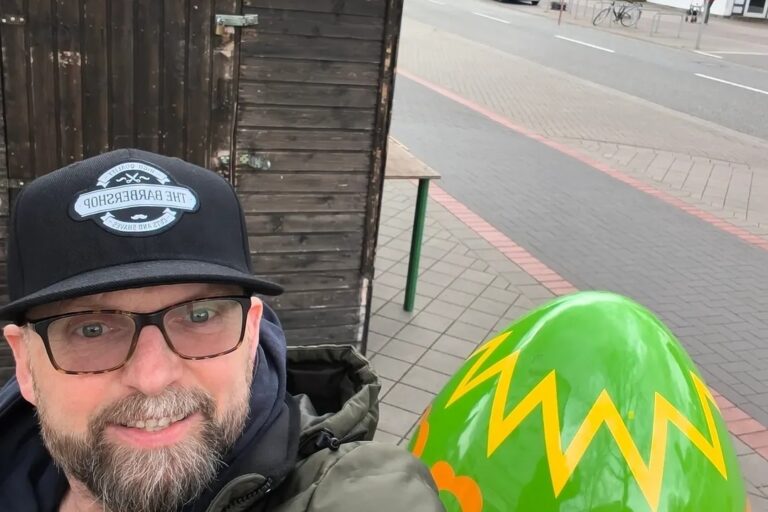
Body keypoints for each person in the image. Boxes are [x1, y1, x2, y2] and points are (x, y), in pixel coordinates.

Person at [0, 149, 444, 512]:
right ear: (25, 363)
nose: (152, 378)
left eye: (199, 317)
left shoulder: (351, 494)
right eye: (92, 329)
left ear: (251, 337)